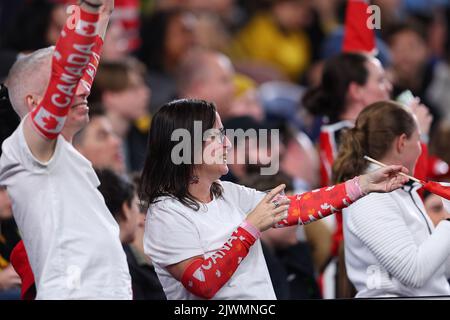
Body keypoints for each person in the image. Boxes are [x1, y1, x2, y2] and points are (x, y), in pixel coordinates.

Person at [140, 98, 408, 300]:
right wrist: (249, 228)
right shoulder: (166, 214)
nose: (227, 144)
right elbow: (203, 283)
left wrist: (362, 184)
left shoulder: (227, 193)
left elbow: (299, 208)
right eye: (215, 136)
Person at [0, 0, 132, 299]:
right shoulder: (25, 150)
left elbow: (78, 73)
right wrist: (87, 13)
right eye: (64, 85)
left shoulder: (61, 151)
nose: (85, 88)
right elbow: (69, 73)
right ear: (34, 104)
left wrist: (103, 15)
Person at [333, 100, 450, 297]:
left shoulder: (401, 190)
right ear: (402, 142)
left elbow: (437, 270)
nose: (421, 149)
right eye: (419, 139)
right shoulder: (371, 198)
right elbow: (414, 273)